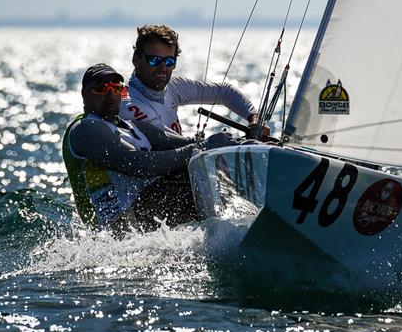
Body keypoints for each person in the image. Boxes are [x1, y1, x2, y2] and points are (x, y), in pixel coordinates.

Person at [62, 63, 235, 232]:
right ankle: (230, 229)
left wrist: (232, 144)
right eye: (101, 88)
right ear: (85, 93)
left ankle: (235, 224)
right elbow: (136, 164)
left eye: (115, 88)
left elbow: (189, 144)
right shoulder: (84, 128)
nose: (110, 94)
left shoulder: (135, 126)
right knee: (195, 167)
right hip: (116, 226)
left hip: (145, 211)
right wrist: (201, 149)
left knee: (205, 163)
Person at [121, 24, 268, 138]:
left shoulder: (175, 87)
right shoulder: (127, 104)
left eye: (169, 61)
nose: (163, 67)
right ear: (136, 59)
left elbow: (224, 92)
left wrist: (254, 119)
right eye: (154, 60)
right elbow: (165, 141)